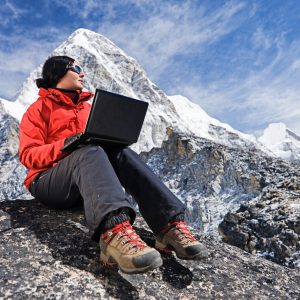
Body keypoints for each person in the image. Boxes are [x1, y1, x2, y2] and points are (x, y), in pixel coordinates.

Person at [19, 55, 208, 274]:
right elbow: (28, 155)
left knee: (121, 153)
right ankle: (113, 234)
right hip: (48, 181)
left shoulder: (89, 109)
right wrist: (67, 144)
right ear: (57, 73)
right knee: (88, 151)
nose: (82, 73)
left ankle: (168, 225)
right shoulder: (38, 110)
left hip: (87, 181)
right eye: (76, 68)